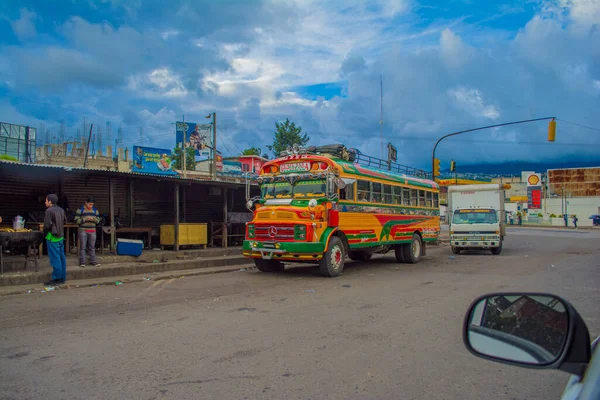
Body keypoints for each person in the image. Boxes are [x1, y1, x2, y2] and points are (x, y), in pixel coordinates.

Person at [43, 194, 67, 286]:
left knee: (55, 258)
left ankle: (57, 278)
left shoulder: (49, 211)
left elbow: (46, 225)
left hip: (52, 237)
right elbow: (65, 221)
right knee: (61, 258)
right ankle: (62, 278)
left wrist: (44, 232)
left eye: (46, 200)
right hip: (61, 236)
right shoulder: (61, 209)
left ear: (50, 201)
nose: (45, 202)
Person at [74, 197, 101, 268]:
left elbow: (98, 221)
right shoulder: (80, 210)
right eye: (89, 204)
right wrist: (85, 219)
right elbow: (76, 220)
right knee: (83, 247)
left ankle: (93, 262)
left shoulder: (95, 211)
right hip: (83, 230)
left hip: (93, 231)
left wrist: (94, 220)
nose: (90, 206)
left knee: (92, 247)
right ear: (86, 203)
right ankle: (83, 263)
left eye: (92, 205)